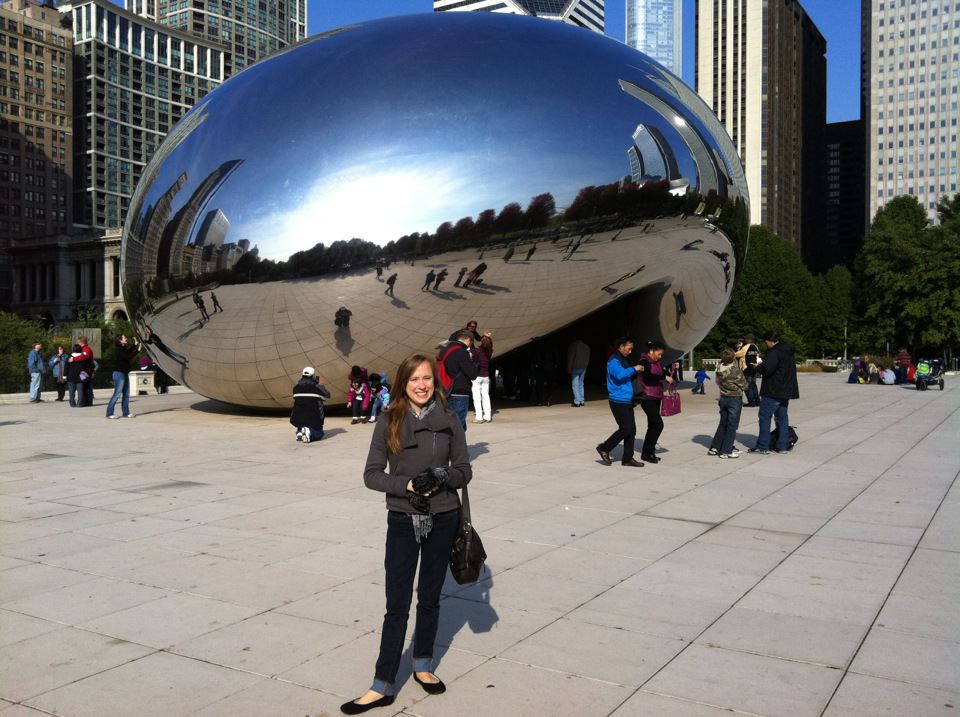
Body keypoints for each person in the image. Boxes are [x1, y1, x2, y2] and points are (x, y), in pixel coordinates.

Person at [342, 354, 471, 714]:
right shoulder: (388, 420)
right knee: (396, 605)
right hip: (402, 519)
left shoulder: (448, 419)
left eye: (427, 378)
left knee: (430, 597)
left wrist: (445, 476)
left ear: (435, 381)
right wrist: (408, 484)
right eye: (414, 378)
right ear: (403, 383)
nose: (422, 384)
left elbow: (464, 470)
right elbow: (371, 475)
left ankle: (423, 664)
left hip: (444, 517)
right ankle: (381, 684)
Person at [595, 337, 645, 467]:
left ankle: (628, 458)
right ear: (621, 347)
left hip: (627, 399)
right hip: (618, 400)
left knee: (632, 430)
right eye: (628, 349)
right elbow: (620, 375)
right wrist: (634, 369)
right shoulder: (613, 361)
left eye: (631, 349)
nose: (630, 351)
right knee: (625, 428)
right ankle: (604, 448)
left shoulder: (623, 360)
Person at [749, 331, 799, 454]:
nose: (766, 345)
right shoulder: (788, 350)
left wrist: (758, 366)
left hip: (773, 390)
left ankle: (763, 446)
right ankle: (782, 445)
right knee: (782, 418)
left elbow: (767, 370)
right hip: (786, 390)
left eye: (766, 342)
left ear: (770, 341)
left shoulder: (774, 352)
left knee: (765, 417)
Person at [635, 341, 673, 463]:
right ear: (652, 351)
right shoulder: (643, 361)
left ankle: (648, 453)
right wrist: (663, 377)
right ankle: (648, 452)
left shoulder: (657, 363)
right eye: (659, 353)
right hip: (647, 397)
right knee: (658, 424)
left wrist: (672, 371)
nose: (660, 356)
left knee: (652, 425)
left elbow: (664, 373)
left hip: (656, 396)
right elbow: (647, 376)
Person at [708, 349, 747, 458]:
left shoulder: (719, 369)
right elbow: (744, 385)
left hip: (723, 397)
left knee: (723, 423)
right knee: (732, 425)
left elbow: (717, 382)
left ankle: (715, 447)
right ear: (734, 358)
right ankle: (726, 450)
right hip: (734, 398)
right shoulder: (735, 370)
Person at [438, 330, 478, 430]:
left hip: (445, 390)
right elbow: (473, 374)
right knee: (458, 427)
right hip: (460, 392)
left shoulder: (443, 351)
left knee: (450, 423)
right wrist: (471, 359)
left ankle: (451, 445)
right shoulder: (462, 352)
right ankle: (454, 445)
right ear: (468, 340)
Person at [106, 334, 141, 419]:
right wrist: (138, 350)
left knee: (126, 394)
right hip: (119, 374)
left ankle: (126, 413)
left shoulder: (122, 349)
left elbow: (128, 352)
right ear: (120, 340)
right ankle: (109, 413)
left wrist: (135, 345)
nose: (126, 338)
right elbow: (128, 357)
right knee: (117, 394)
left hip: (125, 373)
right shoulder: (118, 350)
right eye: (124, 338)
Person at [292, 367, 330, 442]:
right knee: (320, 433)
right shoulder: (317, 387)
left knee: (301, 409)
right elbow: (327, 397)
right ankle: (309, 432)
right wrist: (322, 386)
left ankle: (299, 431)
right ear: (313, 376)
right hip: (313, 418)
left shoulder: (296, 388)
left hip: (297, 419)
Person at [470, 334, 493, 423]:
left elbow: (473, 358)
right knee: (486, 396)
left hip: (477, 376)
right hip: (486, 376)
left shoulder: (477, 351)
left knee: (477, 398)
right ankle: (488, 416)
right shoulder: (490, 351)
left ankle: (479, 417)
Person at [735, 335, 761, 406]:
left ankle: (751, 402)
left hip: (747, 368)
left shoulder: (746, 347)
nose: (744, 340)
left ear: (749, 339)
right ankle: (758, 401)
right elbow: (758, 354)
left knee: (747, 386)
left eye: (746, 339)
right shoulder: (755, 347)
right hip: (754, 368)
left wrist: (738, 348)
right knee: (753, 385)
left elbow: (737, 354)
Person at [566, 338, 590, 407]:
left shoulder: (573, 346)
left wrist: (569, 369)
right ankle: (582, 400)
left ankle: (577, 401)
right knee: (581, 384)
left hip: (575, 367)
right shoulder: (586, 347)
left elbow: (571, 357)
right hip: (583, 367)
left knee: (575, 384)